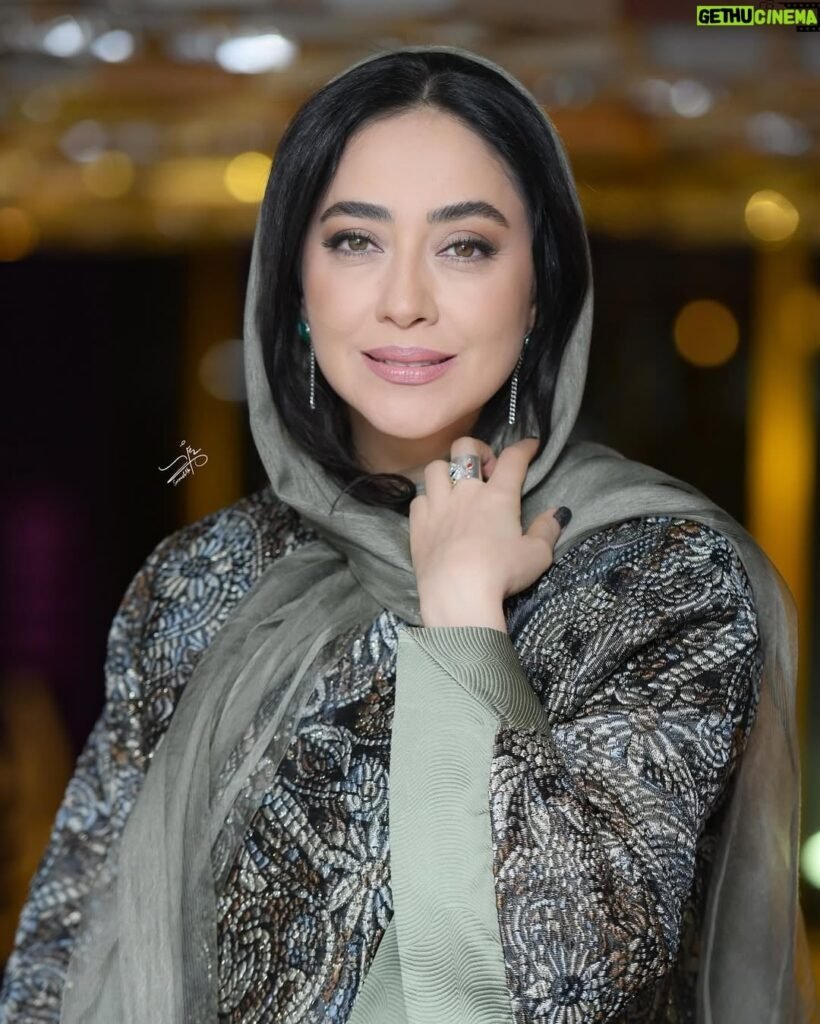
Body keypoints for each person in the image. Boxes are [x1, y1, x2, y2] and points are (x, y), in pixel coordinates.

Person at [0, 45, 813, 1024]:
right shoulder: (201, 580)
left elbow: (562, 979)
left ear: (541, 285)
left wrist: (465, 613)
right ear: (293, 281)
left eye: (464, 245)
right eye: (354, 241)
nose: (404, 301)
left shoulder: (653, 575)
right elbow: (63, 955)